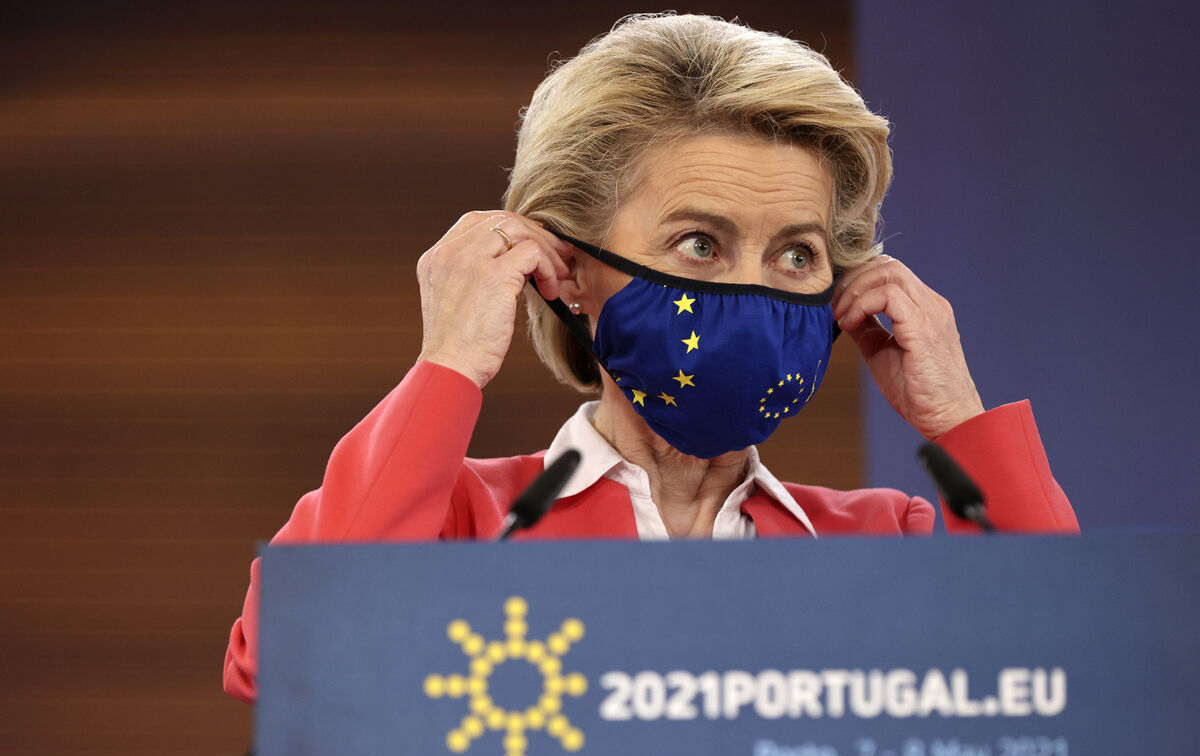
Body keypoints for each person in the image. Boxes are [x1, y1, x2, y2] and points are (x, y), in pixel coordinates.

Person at [224, 14, 1077, 704]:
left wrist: (958, 420)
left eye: (796, 254)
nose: (750, 292)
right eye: (701, 242)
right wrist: (448, 364)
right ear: (569, 268)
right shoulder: (464, 526)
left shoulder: (880, 543)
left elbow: (1076, 675)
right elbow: (292, 657)